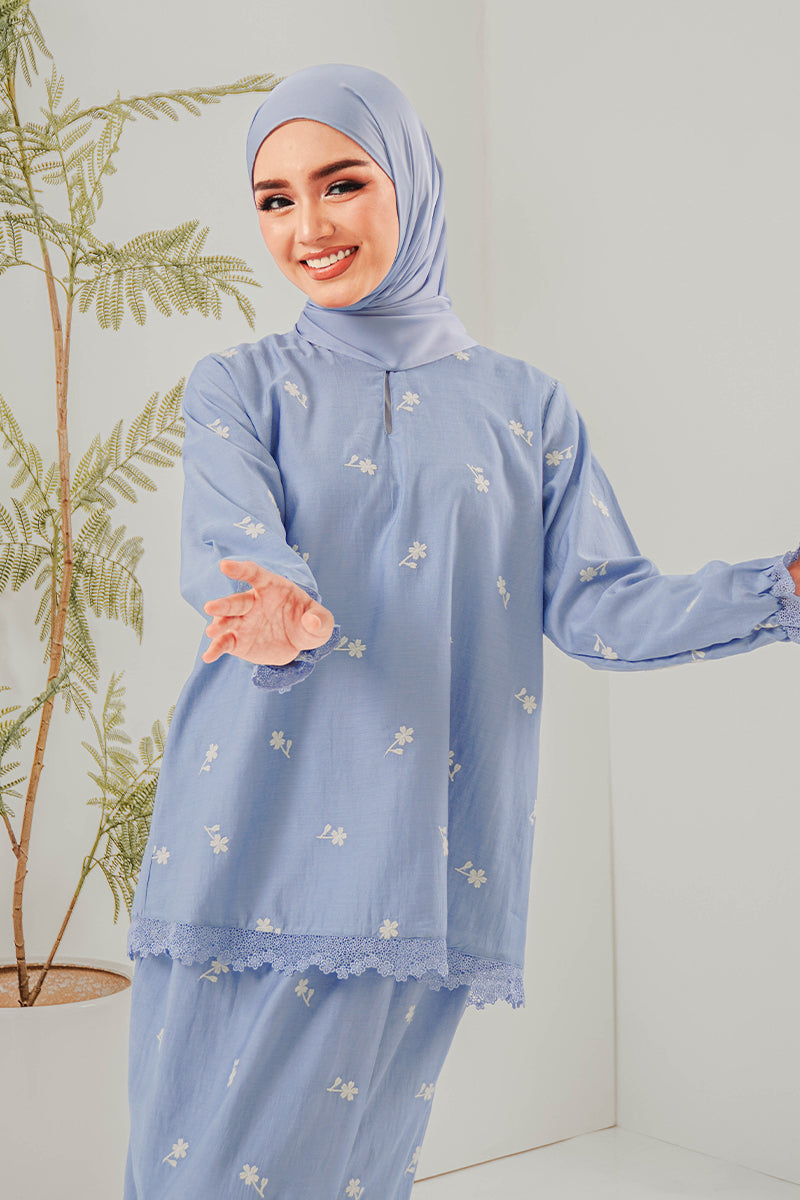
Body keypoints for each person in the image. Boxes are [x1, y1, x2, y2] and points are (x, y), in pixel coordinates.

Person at [122, 63, 800, 1200]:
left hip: (417, 850)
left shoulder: (527, 408)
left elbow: (600, 605)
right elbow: (232, 543)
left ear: (412, 183)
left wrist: (777, 587)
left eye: (341, 183)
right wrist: (277, 605)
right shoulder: (239, 385)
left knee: (347, 1169)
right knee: (190, 1161)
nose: (308, 226)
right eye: (275, 199)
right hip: (242, 823)